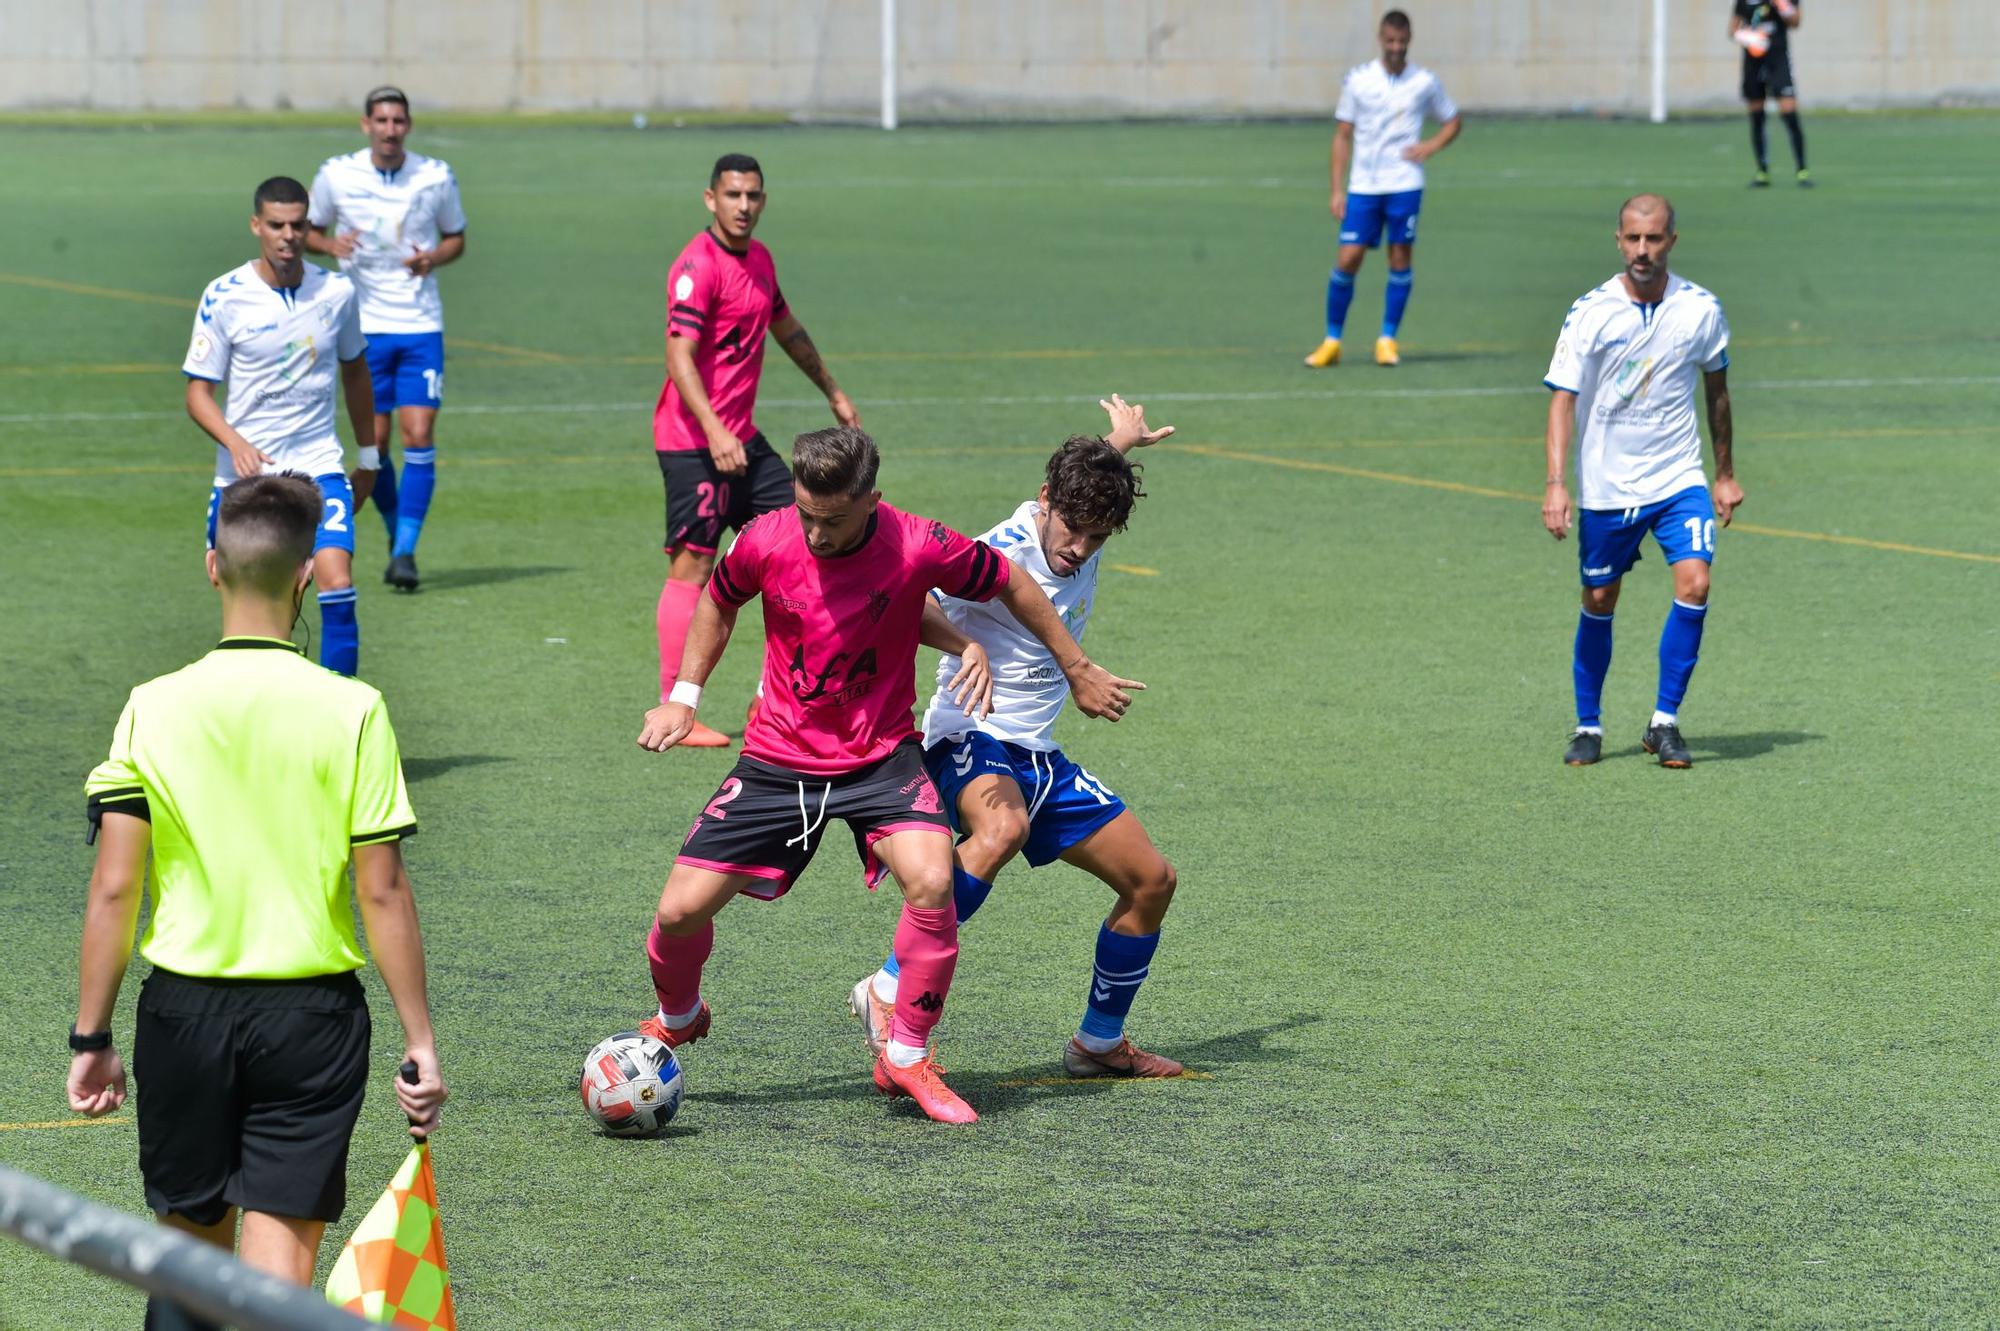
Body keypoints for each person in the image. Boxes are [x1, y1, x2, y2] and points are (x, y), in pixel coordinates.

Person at [633, 426, 1142, 1124]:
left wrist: (1065, 665)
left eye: (832, 518)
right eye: (807, 513)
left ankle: (905, 1053)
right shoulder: (764, 538)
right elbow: (720, 599)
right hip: (780, 759)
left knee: (935, 879)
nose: (815, 532)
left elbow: (1010, 582)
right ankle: (679, 1013)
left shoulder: (918, 542)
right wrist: (683, 698)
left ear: (871, 500)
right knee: (677, 911)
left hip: (882, 757)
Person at [67, 473, 446, 1331]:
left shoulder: (150, 708)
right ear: (309, 573)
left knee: (189, 1269)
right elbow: (380, 887)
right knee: (277, 1292)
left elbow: (115, 886)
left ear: (212, 567)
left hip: (182, 1018)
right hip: (312, 1024)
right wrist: (420, 1040)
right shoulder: (354, 709)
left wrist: (91, 1037)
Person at [849, 396, 1186, 1079]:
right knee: (1001, 830)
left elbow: (1094, 475)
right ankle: (886, 986)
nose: (1079, 549)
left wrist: (1121, 439)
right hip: (967, 736)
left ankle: (1097, 1043)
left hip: (1037, 754)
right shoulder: (999, 551)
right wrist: (966, 647)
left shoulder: (1081, 504)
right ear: (1044, 500)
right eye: (1074, 530)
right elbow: (912, 604)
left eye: (1098, 538)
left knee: (1152, 880)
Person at [653, 152, 860, 747]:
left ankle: (779, 696)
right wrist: (716, 430)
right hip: (693, 441)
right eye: (733, 195)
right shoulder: (697, 265)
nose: (744, 206)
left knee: (807, 534)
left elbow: (787, 329)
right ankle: (676, 706)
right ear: (710, 199)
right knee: (695, 565)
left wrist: (832, 390)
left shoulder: (760, 260)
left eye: (754, 196)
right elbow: (679, 356)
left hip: (741, 439)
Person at [1541, 195, 1741, 769]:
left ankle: (1664, 722)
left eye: (1653, 239)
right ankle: (1588, 723)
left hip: (1679, 477)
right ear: (1619, 241)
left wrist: (1723, 475)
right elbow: (1562, 398)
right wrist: (1557, 482)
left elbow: (1718, 393)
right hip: (1608, 485)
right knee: (1600, 597)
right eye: (1633, 239)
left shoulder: (1701, 309)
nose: (1643, 251)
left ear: (1672, 241)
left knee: (1696, 583)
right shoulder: (1591, 311)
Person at [185, 175, 377, 677]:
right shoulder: (224, 295)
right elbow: (197, 395)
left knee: (336, 582)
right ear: (257, 226)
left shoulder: (336, 292)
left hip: (317, 466)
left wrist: (370, 458)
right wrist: (235, 441)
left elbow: (356, 372)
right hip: (244, 477)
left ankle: (340, 714)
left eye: (297, 224)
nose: (288, 235)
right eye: (276, 225)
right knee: (252, 607)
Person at [308, 86, 467, 592]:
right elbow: (307, 229)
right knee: (373, 443)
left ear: (408, 126)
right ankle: (394, 530)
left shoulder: (435, 175)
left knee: (418, 435)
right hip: (362, 325)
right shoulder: (336, 174)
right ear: (366, 125)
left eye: (398, 121)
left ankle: (405, 551)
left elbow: (456, 238)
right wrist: (329, 243)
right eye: (382, 120)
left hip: (420, 323)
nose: (390, 129)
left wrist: (432, 259)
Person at [1305, 9, 1461, 371]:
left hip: (1405, 184)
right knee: (1349, 258)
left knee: (1400, 258)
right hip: (1363, 186)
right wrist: (1336, 189)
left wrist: (1430, 146)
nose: (1396, 48)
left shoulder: (1424, 81)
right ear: (1381, 39)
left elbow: (1453, 120)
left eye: (1402, 43)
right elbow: (1342, 135)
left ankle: (1387, 340)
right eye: (1390, 41)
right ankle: (1332, 341)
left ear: (1409, 41)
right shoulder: (1358, 80)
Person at [1730, 1, 1809, 187]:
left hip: (1778, 62)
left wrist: (1782, 5)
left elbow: (1795, 22)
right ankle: (1762, 171)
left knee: (1789, 114)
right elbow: (1732, 30)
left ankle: (1802, 170)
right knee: (1757, 116)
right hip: (1753, 63)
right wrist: (1749, 38)